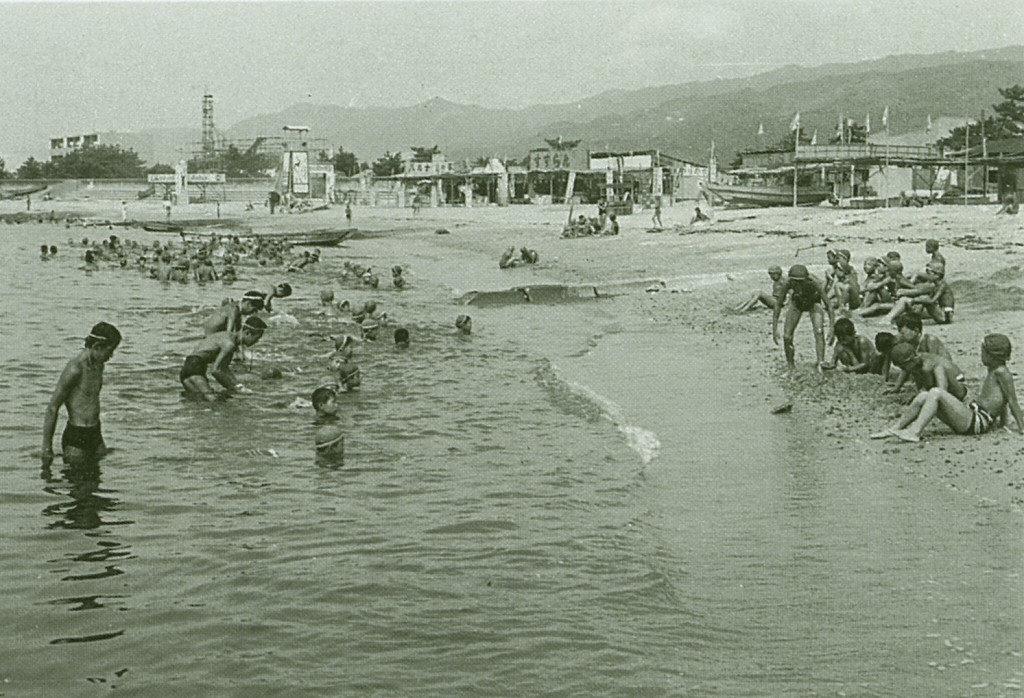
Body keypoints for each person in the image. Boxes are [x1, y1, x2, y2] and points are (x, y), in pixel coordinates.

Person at [872, 334, 1024, 442]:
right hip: (974, 415)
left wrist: (1021, 428)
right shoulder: (994, 370)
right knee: (924, 396)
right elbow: (1002, 399)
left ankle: (915, 431)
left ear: (992, 355)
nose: (981, 356)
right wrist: (1002, 424)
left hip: (978, 422)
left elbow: (1011, 400)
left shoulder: (1002, 372)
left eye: (983, 353)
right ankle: (895, 428)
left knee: (936, 392)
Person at [42, 322, 122, 465]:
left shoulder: (98, 365)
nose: (111, 356)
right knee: (78, 481)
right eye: (109, 351)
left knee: (96, 481)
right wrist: (47, 448)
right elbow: (52, 408)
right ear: (97, 346)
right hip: (76, 435)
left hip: (95, 432)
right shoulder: (75, 369)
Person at [180, 316, 267, 400]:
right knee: (214, 401)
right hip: (195, 368)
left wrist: (238, 385)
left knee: (199, 402)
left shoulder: (228, 337)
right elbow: (215, 370)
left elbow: (224, 368)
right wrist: (234, 387)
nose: (256, 342)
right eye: (257, 338)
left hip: (190, 367)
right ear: (247, 332)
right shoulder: (230, 344)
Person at [772, 264, 835, 372]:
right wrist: (774, 328)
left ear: (806, 278)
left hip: (813, 302)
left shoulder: (814, 282)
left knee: (819, 332)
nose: (798, 284)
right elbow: (778, 304)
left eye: (801, 281)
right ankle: (791, 366)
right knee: (787, 336)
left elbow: (829, 305)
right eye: (795, 281)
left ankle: (820, 362)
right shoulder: (788, 282)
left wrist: (832, 329)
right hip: (797, 303)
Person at [887, 341, 967, 401]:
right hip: (955, 379)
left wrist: (916, 396)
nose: (903, 370)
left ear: (912, 360)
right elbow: (906, 370)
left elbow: (929, 388)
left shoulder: (927, 366)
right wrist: (897, 387)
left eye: (903, 367)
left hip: (957, 384)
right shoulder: (917, 359)